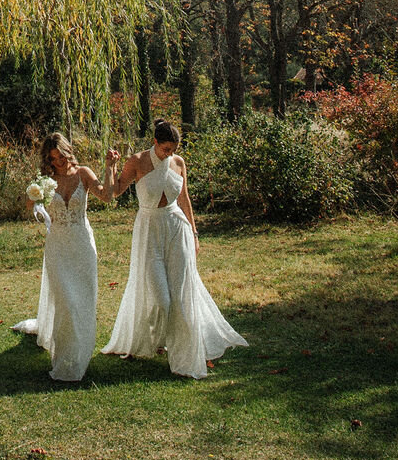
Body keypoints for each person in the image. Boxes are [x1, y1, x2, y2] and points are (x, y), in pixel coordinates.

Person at [101, 118, 247, 378]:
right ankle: (152, 339)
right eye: (166, 149)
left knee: (180, 295)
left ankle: (181, 351)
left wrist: (195, 233)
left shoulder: (178, 163)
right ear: (155, 142)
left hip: (177, 228)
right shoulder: (136, 161)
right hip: (149, 230)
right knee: (161, 298)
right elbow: (115, 192)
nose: (170, 154)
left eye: (174, 150)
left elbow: (184, 198)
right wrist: (110, 167)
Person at [13, 132, 115, 382]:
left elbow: (107, 195)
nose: (59, 162)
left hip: (82, 244)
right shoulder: (47, 180)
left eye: (61, 157)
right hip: (58, 246)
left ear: (68, 152)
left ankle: (80, 352)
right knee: (65, 302)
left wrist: (110, 167)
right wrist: (34, 193)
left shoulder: (83, 174)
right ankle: (63, 358)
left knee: (82, 300)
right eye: (53, 159)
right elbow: (26, 207)